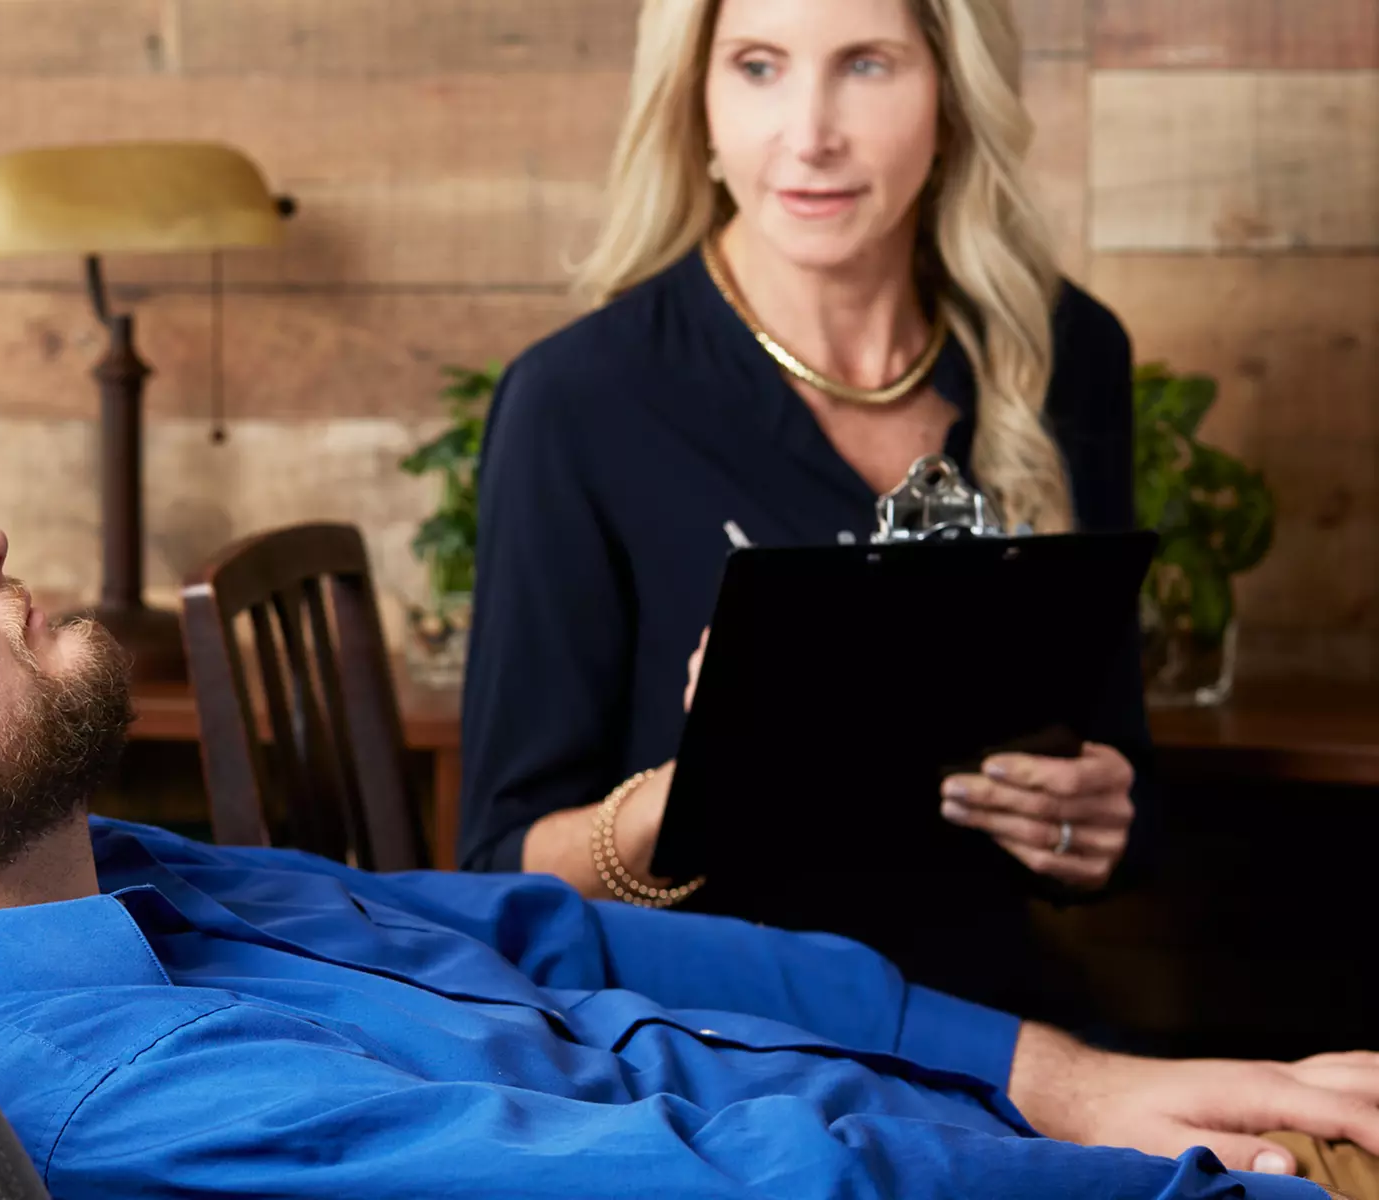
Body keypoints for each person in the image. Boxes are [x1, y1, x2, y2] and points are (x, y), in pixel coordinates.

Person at [0, 409, 1379, 1199]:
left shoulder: (87, 883)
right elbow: (763, 1193)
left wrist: (1067, 1077)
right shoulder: (120, 1101)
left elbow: (543, 932)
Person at [458, 0, 1151, 1018]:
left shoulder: (1068, 352)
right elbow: (497, 872)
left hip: (990, 1026)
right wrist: (700, 783)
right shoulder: (578, 399)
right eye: (757, 66)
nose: (810, 134)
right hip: (706, 1040)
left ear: (953, 96)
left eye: (866, 65)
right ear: (697, 102)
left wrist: (1090, 828)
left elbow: (1121, 778)